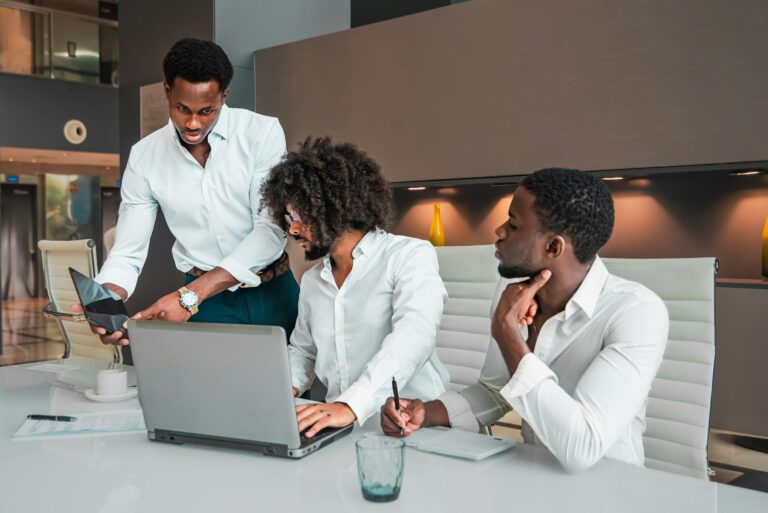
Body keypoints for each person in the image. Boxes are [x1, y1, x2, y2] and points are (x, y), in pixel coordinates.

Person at [381, 167, 669, 473]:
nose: (499, 232)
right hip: (532, 476)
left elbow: (582, 446)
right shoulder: (514, 296)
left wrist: (509, 335)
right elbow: (495, 392)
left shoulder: (637, 312)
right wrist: (428, 412)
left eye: (514, 225)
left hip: (609, 489)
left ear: (553, 247)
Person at [76, 38, 299, 345]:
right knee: (210, 392)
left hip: (273, 293)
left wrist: (189, 297)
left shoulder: (262, 133)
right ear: (167, 90)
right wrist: (108, 294)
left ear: (224, 95)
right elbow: (128, 250)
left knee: (290, 391)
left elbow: (270, 230)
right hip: (207, 307)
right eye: (182, 109)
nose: (193, 123)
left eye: (207, 110)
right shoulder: (145, 156)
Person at [260, 136, 450, 438]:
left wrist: (351, 405)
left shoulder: (408, 255)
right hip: (338, 432)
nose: (292, 229)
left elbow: (415, 335)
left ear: (334, 205)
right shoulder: (313, 280)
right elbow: (304, 351)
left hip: (411, 427)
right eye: (287, 218)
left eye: (297, 216)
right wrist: (287, 384)